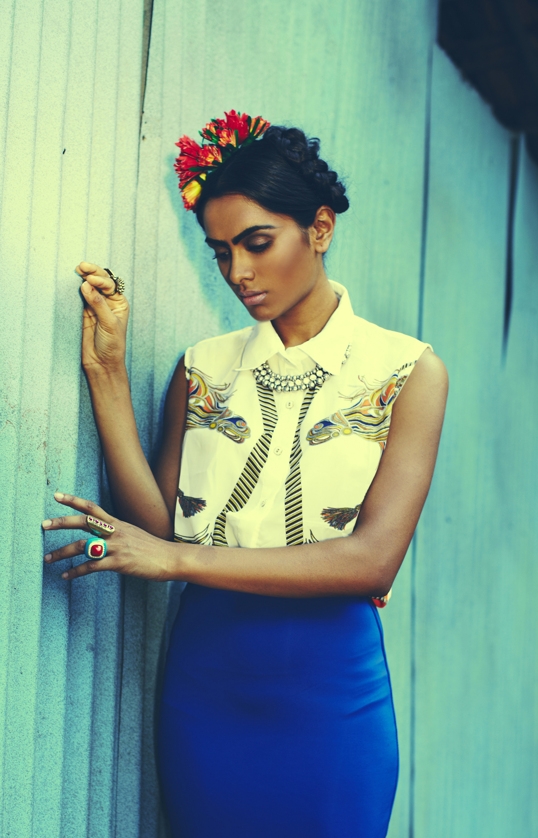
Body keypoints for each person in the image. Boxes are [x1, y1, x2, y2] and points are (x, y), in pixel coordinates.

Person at [41, 110, 448, 837]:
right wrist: (107, 372)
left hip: (333, 697)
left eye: (257, 244)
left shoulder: (407, 371)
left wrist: (174, 560)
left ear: (320, 228)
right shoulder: (204, 367)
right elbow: (160, 528)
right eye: (221, 252)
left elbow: (372, 560)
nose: (238, 274)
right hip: (206, 689)